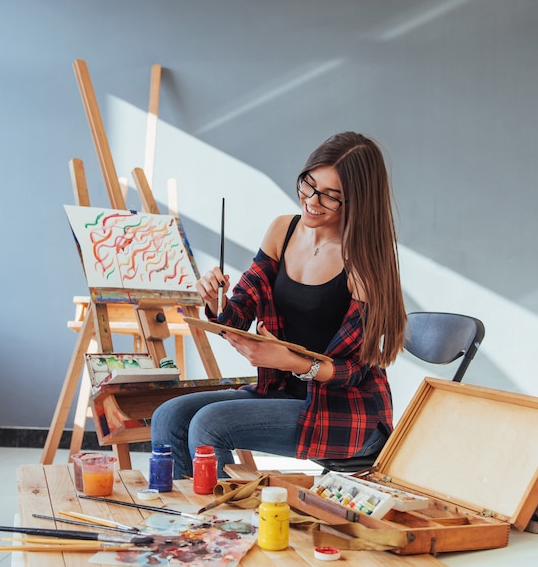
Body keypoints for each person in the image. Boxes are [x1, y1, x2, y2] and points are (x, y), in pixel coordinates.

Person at [151, 131, 406, 478]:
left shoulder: (362, 261)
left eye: (331, 197)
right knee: (169, 416)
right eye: (308, 185)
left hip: (346, 411)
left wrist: (289, 361)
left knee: (210, 426)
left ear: (358, 202)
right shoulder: (283, 231)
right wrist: (215, 301)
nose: (312, 201)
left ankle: (225, 529)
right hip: (283, 392)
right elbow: (238, 312)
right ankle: (188, 523)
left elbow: (357, 370)